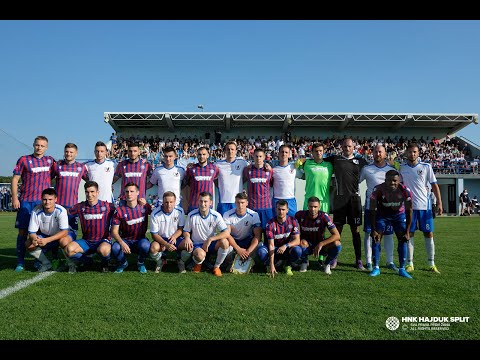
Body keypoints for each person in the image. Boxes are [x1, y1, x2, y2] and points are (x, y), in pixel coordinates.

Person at [11, 135, 56, 272]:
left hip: (43, 203)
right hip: (26, 202)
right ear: (33, 145)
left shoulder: (50, 161)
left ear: (46, 147)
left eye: (42, 146)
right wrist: (14, 197)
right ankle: (20, 261)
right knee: (23, 231)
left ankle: (42, 259)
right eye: (37, 145)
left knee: (43, 232)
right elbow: (15, 179)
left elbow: (55, 174)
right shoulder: (24, 160)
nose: (39, 148)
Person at [324, 137, 368, 270]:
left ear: (353, 147)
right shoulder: (335, 159)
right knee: (337, 231)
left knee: (356, 231)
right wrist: (300, 162)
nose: (347, 149)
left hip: (354, 200)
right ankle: (334, 258)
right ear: (341, 147)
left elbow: (375, 168)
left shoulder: (361, 161)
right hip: (339, 199)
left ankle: (358, 260)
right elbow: (318, 159)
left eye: (349, 146)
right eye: (345, 147)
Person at [399, 143, 443, 274]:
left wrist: (439, 203)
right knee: (409, 233)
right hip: (409, 207)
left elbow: (434, 186)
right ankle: (410, 263)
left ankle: (431, 263)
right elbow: (399, 186)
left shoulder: (426, 167)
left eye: (415, 152)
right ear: (406, 153)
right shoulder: (401, 168)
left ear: (418, 153)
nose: (412, 154)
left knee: (428, 233)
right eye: (410, 152)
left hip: (425, 206)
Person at [359, 144, 397, 272]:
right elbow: (355, 181)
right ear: (372, 153)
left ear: (385, 154)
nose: (378, 154)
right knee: (369, 233)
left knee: (388, 234)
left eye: (380, 152)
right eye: (375, 152)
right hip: (371, 206)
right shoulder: (366, 169)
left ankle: (389, 261)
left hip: (387, 207)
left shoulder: (392, 169)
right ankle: (369, 261)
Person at [369, 170, 413, 279]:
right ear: (385, 180)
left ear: (399, 181)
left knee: (403, 239)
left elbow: (409, 210)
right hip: (382, 215)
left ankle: (402, 269)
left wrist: (407, 231)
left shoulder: (405, 191)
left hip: (399, 215)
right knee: (376, 238)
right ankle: (376, 267)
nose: (392, 183)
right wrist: (373, 229)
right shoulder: (378, 189)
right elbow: (372, 210)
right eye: (389, 180)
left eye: (395, 181)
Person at [64, 181, 115, 273]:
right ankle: (88, 261)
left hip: (103, 240)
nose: (90, 195)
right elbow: (64, 212)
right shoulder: (80, 206)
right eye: (87, 192)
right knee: (69, 250)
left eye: (92, 192)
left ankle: (105, 264)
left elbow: (122, 210)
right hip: (86, 241)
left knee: (104, 250)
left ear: (97, 193)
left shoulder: (107, 206)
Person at [52, 143, 89, 266]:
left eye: (71, 152)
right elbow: (47, 178)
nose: (69, 154)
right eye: (67, 151)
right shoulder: (57, 166)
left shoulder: (81, 168)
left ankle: (71, 258)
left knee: (68, 236)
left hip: (72, 209)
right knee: (55, 233)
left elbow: (90, 182)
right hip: (58, 207)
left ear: (76, 153)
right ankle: (55, 257)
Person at [180, 192, 230, 276]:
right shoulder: (192, 215)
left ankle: (216, 267)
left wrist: (210, 239)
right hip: (197, 245)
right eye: (201, 201)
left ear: (210, 203)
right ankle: (198, 263)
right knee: (200, 255)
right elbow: (186, 231)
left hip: (211, 244)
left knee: (225, 242)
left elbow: (226, 233)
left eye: (205, 201)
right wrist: (187, 238)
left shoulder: (216, 215)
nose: (203, 204)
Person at [25, 188, 75, 272]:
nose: (47, 202)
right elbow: (32, 232)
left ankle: (71, 264)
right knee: (29, 243)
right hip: (46, 236)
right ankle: (46, 263)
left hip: (61, 235)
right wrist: (34, 239)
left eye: (50, 199)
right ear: (41, 199)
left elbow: (64, 232)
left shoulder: (61, 210)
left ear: (55, 199)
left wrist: (47, 240)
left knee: (64, 241)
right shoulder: (36, 211)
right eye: (45, 199)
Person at [111, 183, 152, 274]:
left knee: (145, 246)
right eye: (127, 191)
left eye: (132, 191)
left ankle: (140, 262)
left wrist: (147, 204)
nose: (129, 194)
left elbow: (157, 214)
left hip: (140, 239)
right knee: (115, 248)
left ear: (138, 193)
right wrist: (122, 243)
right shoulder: (119, 210)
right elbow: (114, 231)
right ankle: (123, 263)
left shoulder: (144, 207)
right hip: (125, 239)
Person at [295, 196, 341, 274]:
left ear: (319, 206)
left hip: (321, 246)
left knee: (337, 244)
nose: (313, 209)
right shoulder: (300, 215)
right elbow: (294, 232)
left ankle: (327, 264)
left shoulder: (324, 216)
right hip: (306, 245)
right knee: (301, 242)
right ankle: (304, 262)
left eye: (315, 207)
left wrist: (321, 244)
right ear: (307, 206)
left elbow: (337, 235)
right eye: (311, 206)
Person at [256, 200, 301, 277]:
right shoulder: (270, 224)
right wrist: (271, 265)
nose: (281, 212)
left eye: (283, 209)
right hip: (273, 248)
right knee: (261, 252)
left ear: (287, 210)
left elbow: (297, 240)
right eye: (279, 209)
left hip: (285, 248)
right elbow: (271, 245)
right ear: (275, 210)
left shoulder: (293, 221)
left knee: (298, 250)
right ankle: (269, 265)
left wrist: (286, 245)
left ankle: (287, 265)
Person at [223, 192, 262, 270]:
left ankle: (249, 262)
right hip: (234, 241)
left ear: (247, 203)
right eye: (238, 202)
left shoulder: (254, 215)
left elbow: (258, 236)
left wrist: (248, 252)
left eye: (242, 203)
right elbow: (227, 234)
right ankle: (230, 263)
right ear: (235, 203)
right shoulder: (227, 214)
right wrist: (238, 249)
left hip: (247, 241)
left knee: (260, 245)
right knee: (224, 242)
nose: (240, 205)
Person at [149, 191, 186, 273]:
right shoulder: (155, 214)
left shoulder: (180, 211)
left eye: (171, 202)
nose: (169, 205)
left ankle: (180, 261)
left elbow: (181, 228)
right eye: (166, 202)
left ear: (175, 202)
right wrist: (166, 244)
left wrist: (174, 237)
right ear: (162, 201)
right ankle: (160, 262)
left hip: (175, 238)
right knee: (153, 248)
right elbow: (154, 235)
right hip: (161, 239)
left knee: (188, 246)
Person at [295, 143, 333, 214]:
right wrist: (300, 161)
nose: (318, 153)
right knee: (306, 224)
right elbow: (294, 167)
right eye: (316, 151)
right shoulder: (306, 163)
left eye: (320, 151)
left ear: (323, 151)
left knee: (323, 224)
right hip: (309, 199)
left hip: (324, 200)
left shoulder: (329, 165)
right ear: (312, 152)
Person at [243, 148, 274, 233]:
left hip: (266, 207)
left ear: (264, 157)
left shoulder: (269, 171)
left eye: (260, 156)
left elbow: (273, 184)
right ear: (253, 156)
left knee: (268, 233)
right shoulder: (247, 170)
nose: (258, 158)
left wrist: (270, 169)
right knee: (253, 234)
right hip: (252, 208)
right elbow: (240, 182)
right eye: (256, 156)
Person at [113, 142, 153, 206]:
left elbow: (153, 181)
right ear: (127, 152)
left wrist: (142, 188)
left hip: (140, 200)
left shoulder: (146, 165)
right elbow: (114, 179)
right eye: (130, 151)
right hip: (124, 200)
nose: (132, 153)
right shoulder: (121, 165)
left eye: (135, 151)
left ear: (139, 152)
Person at [215, 141, 249, 215]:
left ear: (236, 151)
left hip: (238, 201)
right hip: (223, 201)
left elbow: (252, 169)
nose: (230, 151)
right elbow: (213, 178)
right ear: (225, 151)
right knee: (223, 226)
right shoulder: (218, 164)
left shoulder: (242, 163)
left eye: (232, 149)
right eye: (228, 149)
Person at [184, 147, 219, 213]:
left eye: (204, 154)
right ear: (197, 155)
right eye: (199, 154)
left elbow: (218, 183)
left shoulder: (214, 168)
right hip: (193, 204)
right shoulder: (191, 168)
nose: (201, 156)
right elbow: (186, 184)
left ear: (208, 155)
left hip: (208, 205)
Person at [272, 144, 302, 217]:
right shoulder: (273, 168)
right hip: (277, 200)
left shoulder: (294, 167)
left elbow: (304, 176)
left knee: (293, 222)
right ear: (278, 153)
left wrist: (301, 162)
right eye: (282, 152)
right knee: (276, 223)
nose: (284, 154)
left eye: (286, 152)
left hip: (290, 200)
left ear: (289, 154)